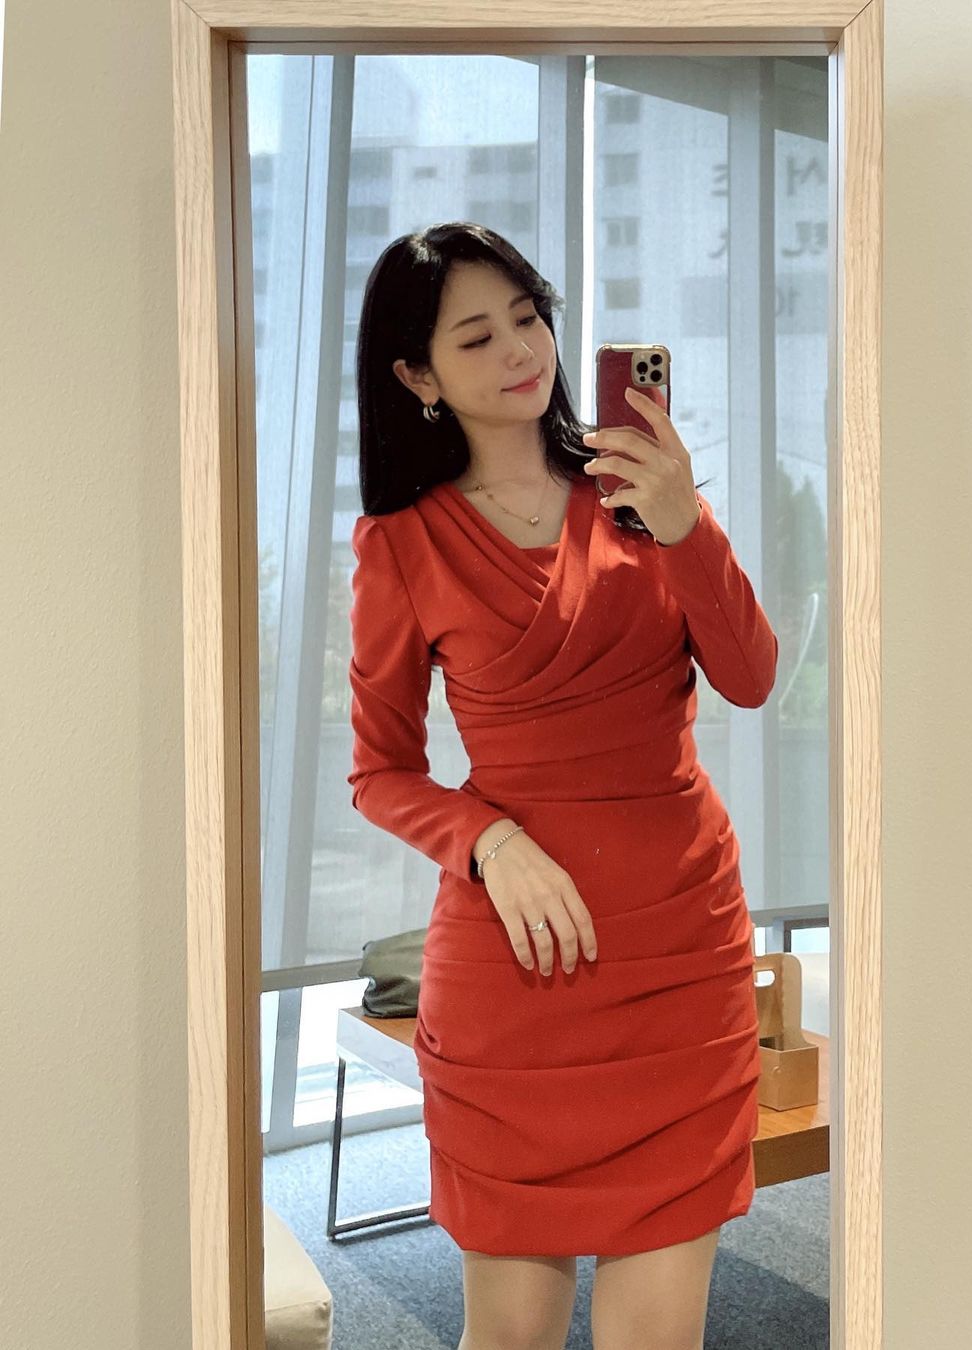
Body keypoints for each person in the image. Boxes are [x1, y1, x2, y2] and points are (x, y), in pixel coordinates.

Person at [347, 222, 779, 1350]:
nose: (519, 350)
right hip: (517, 969)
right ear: (417, 376)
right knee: (512, 1338)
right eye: (476, 336)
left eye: (528, 316)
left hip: (680, 952)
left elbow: (750, 676)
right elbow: (380, 773)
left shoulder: (639, 494)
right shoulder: (403, 546)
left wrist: (688, 527)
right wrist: (487, 840)